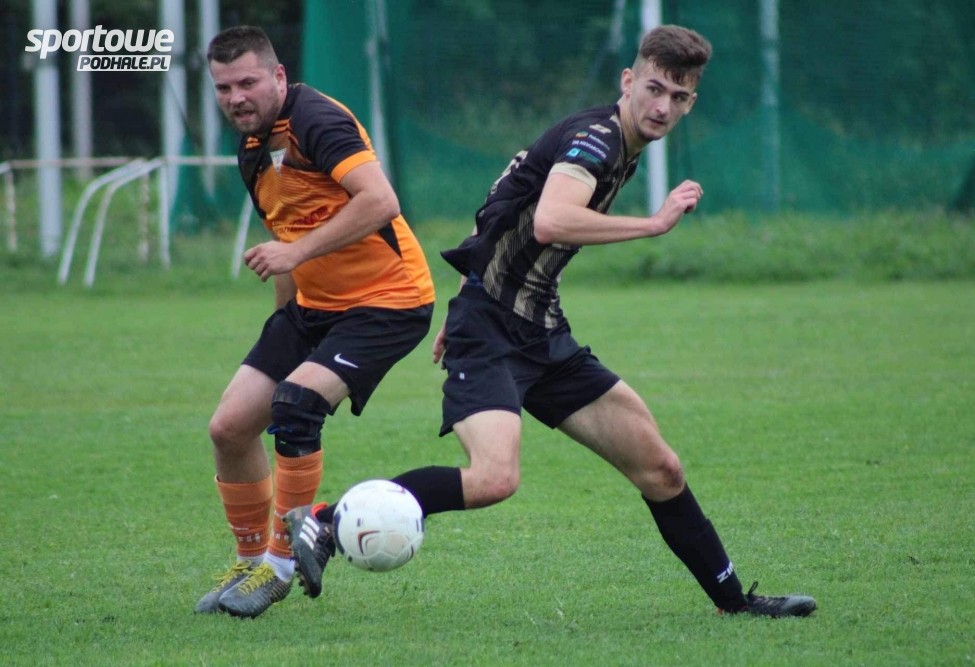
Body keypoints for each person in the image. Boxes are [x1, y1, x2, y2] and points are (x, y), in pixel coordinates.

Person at [285, 25, 816, 618]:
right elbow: (550, 220)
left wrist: (466, 291)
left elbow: (495, 211)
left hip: (541, 331)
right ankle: (325, 520)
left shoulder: (613, 142)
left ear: (691, 102)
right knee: (494, 478)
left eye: (679, 96)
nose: (663, 106)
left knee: (661, 468)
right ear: (629, 81)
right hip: (490, 334)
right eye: (654, 88)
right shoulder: (597, 140)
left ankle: (736, 604)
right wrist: (653, 224)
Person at [195, 26, 435, 619]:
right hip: (312, 308)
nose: (236, 98)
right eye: (224, 88)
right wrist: (280, 332)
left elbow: (380, 201)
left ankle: (279, 568)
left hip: (389, 301)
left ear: (278, 76)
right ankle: (249, 560)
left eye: (248, 82)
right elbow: (286, 237)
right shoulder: (253, 149)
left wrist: (296, 254)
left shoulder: (318, 121)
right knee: (229, 428)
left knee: (297, 404)